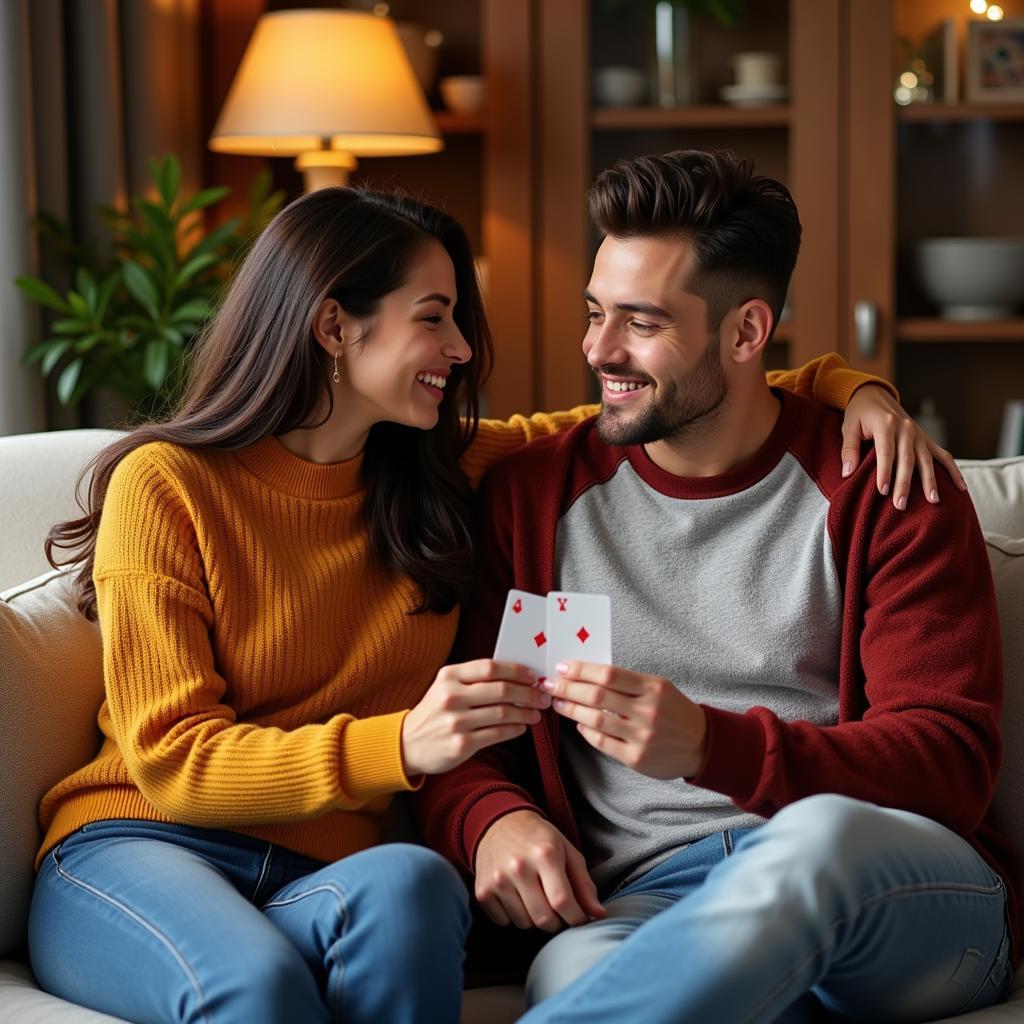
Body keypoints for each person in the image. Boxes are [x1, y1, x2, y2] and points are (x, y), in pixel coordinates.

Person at [28, 184, 952, 1024]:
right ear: (332, 327)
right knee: (261, 988)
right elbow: (170, 761)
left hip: (326, 873)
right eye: (436, 319)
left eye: (458, 320)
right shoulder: (172, 485)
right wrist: (407, 750)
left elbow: (687, 397)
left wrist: (852, 388)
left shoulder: (444, 472)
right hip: (149, 838)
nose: (465, 349)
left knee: (416, 888)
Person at [414, 150, 1018, 1024]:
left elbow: (950, 763)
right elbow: (476, 736)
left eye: (641, 323)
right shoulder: (534, 498)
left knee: (818, 843)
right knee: (577, 976)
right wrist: (491, 822)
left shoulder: (884, 487)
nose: (598, 350)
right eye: (594, 313)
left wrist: (710, 747)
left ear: (746, 333)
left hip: (891, 892)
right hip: (652, 904)